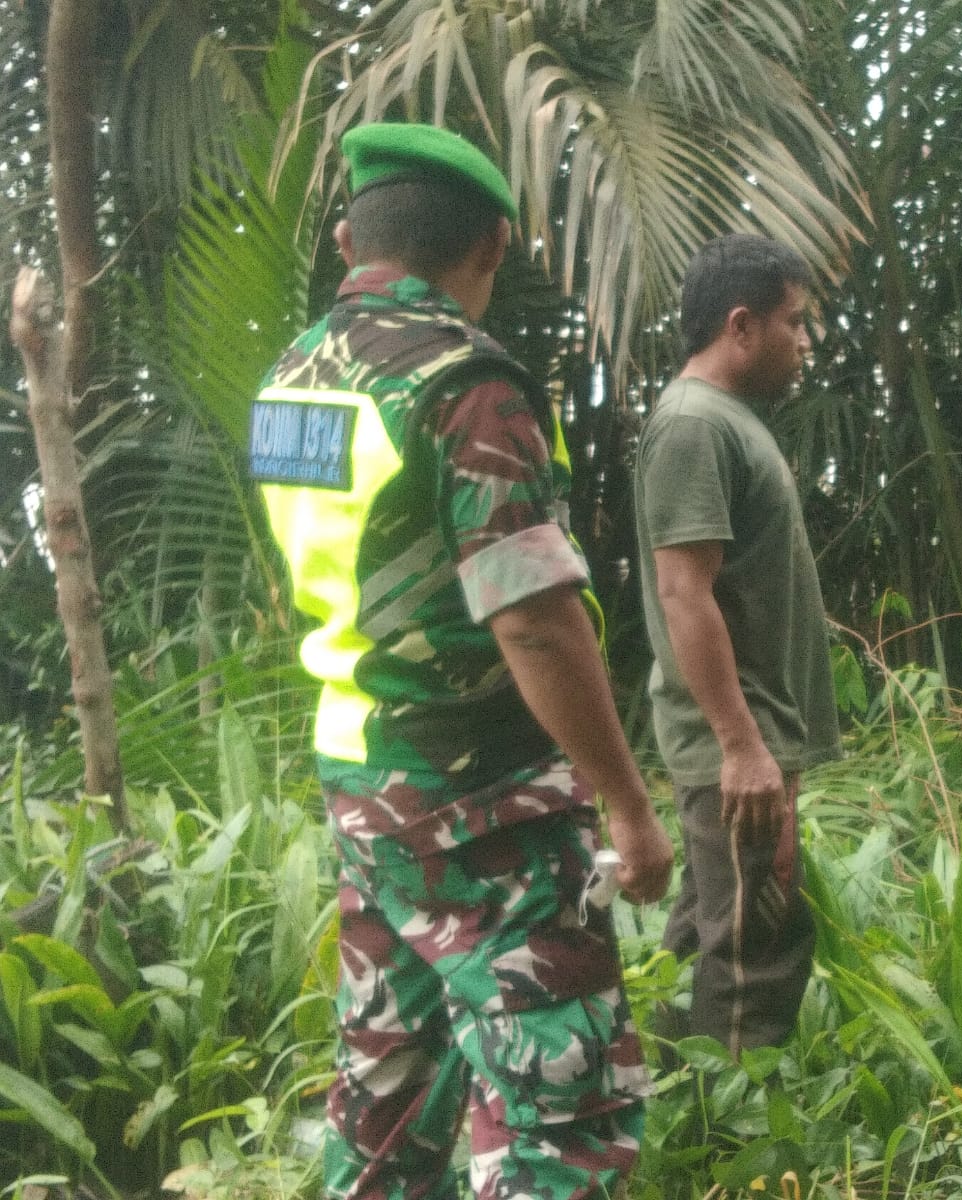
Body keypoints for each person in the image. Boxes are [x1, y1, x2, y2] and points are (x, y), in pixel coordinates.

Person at [248, 122, 674, 1200]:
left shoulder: (290, 382)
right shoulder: (463, 384)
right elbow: (530, 617)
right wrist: (627, 802)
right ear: (489, 245)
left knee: (389, 1099)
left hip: (362, 784)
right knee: (559, 1123)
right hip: (482, 801)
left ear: (350, 237)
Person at [634, 233, 842, 1056]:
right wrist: (740, 746)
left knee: (707, 931)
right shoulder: (692, 425)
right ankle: (730, 1144)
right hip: (737, 747)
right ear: (741, 324)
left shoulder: (721, 422)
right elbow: (682, 591)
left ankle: (664, 1096)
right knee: (756, 949)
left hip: (750, 739)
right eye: (793, 322)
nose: (804, 342)